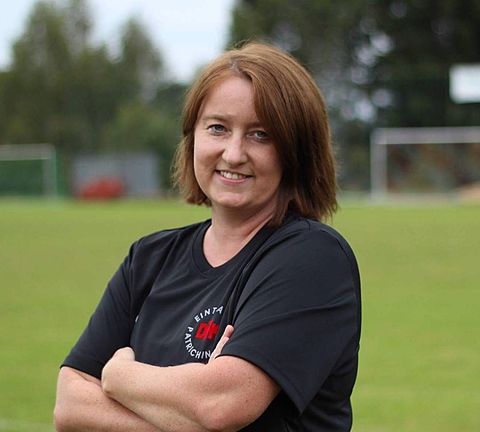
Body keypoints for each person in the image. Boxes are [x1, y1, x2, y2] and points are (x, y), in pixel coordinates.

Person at [54, 42, 361, 432]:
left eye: (261, 134)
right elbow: (70, 406)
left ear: (296, 151)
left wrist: (119, 377)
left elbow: (220, 405)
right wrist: (186, 414)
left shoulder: (313, 258)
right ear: (192, 137)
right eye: (218, 128)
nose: (233, 153)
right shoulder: (149, 257)